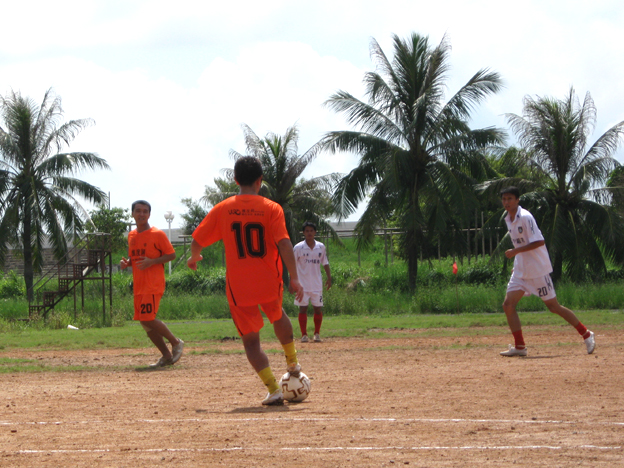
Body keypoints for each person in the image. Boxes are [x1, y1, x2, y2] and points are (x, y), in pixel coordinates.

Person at [187, 156, 304, 406]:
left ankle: (274, 389)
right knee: (278, 315)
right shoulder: (272, 208)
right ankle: (292, 362)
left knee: (251, 341)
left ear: (235, 179)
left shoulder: (223, 208)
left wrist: (194, 258)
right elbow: (284, 243)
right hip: (268, 280)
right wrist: (294, 277)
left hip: (239, 288)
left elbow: (197, 240)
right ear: (260, 181)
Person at [499, 186, 595, 356]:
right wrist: (518, 261)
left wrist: (515, 252)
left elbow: (539, 242)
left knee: (553, 307)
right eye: (504, 199)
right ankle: (520, 347)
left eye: (510, 198)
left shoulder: (525, 217)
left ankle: (586, 334)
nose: (506, 202)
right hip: (521, 271)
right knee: (508, 305)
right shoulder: (508, 218)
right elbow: (522, 243)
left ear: (517, 200)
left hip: (538, 270)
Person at [120, 200, 184, 367]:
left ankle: (176, 342)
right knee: (144, 322)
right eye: (138, 211)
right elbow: (137, 259)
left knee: (148, 318)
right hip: (139, 285)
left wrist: (152, 261)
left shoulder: (157, 234)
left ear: (149, 214)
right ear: (132, 213)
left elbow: (171, 255)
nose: (141, 214)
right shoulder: (131, 236)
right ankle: (166, 356)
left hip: (153, 284)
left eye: (145, 211)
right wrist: (127, 263)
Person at [294, 221, 332, 343]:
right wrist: (292, 281)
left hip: (316, 284)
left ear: (315, 232)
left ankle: (317, 333)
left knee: (318, 309)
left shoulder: (320, 247)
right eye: (307, 231)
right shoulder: (298, 248)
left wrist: (329, 277)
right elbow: (292, 265)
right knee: (303, 308)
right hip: (302, 285)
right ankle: (304, 334)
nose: (309, 233)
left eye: (311, 231)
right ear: (304, 233)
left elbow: (325, 262)